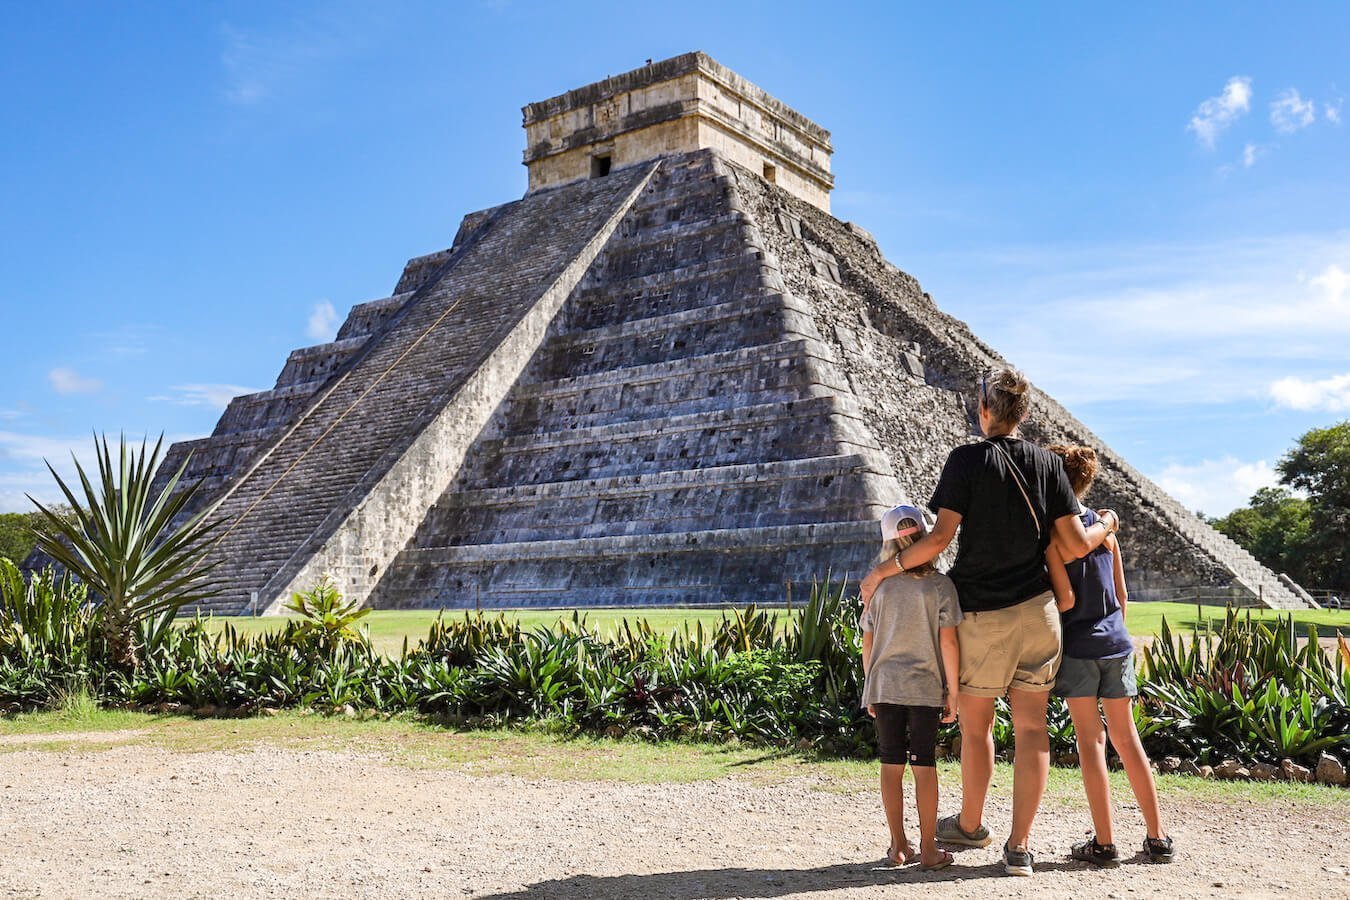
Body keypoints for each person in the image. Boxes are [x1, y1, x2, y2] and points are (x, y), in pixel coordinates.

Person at [860, 367, 1120, 877]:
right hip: (1039, 614)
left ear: (984, 411)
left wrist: (882, 573)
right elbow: (1070, 544)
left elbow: (937, 542)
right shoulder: (1047, 465)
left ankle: (972, 823)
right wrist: (1107, 525)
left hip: (983, 612)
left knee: (977, 727)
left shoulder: (966, 459)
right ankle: (1019, 846)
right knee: (1032, 728)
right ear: (1023, 414)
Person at [1044, 444, 1175, 866]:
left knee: (1090, 740)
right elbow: (1121, 595)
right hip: (1116, 643)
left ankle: (1103, 841)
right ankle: (1158, 836)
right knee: (1127, 737)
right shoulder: (1107, 533)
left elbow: (1063, 601)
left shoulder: (1051, 538)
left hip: (1079, 647)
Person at [859, 504, 962, 871]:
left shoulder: (880, 587)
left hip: (885, 685)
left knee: (890, 762)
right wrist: (953, 691)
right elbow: (948, 643)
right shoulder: (941, 586)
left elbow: (867, 643)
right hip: (925, 687)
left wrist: (870, 685)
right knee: (924, 765)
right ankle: (930, 849)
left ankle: (898, 845)